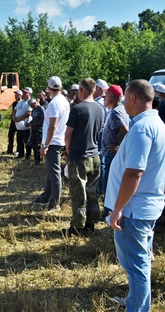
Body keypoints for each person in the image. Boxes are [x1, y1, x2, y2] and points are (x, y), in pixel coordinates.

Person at [105, 79, 165, 312]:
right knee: (139, 262)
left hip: (133, 209)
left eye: (125, 99)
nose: (123, 103)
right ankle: (136, 302)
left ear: (132, 98)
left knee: (136, 265)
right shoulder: (156, 124)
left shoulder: (142, 128)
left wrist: (117, 209)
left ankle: (139, 308)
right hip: (145, 205)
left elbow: (134, 174)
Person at [63, 78, 105, 233]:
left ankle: (77, 227)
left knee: (78, 193)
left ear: (81, 90)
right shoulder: (100, 109)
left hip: (79, 156)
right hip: (95, 156)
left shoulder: (77, 109)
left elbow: (68, 135)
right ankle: (91, 223)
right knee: (92, 192)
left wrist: (68, 151)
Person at [33, 76, 70, 211]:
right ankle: (46, 197)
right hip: (60, 140)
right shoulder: (65, 101)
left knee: (54, 173)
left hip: (53, 142)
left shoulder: (54, 103)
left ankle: (55, 203)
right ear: (60, 87)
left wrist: (46, 145)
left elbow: (52, 126)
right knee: (50, 171)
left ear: (48, 89)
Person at [99, 85, 129, 216]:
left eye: (106, 96)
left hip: (112, 154)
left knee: (109, 184)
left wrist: (119, 147)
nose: (104, 99)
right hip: (111, 153)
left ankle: (108, 212)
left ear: (111, 97)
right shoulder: (119, 109)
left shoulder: (116, 112)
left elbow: (125, 130)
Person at [13, 87, 33, 159]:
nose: (24, 94)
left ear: (29, 94)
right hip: (19, 126)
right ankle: (20, 154)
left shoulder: (30, 102)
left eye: (25, 93)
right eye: (23, 92)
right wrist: (14, 117)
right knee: (19, 141)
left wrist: (19, 118)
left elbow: (28, 113)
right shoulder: (20, 102)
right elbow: (15, 110)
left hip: (26, 126)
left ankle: (28, 155)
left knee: (27, 141)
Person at [27, 98, 45, 165]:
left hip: (39, 129)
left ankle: (38, 159)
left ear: (35, 103)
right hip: (34, 129)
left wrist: (34, 124)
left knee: (38, 144)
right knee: (33, 143)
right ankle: (35, 157)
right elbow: (34, 119)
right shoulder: (33, 110)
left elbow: (43, 119)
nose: (31, 107)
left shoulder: (41, 109)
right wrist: (30, 123)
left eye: (32, 105)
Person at [4, 90, 22, 154]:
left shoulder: (22, 103)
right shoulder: (14, 103)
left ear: (20, 95)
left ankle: (18, 150)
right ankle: (9, 150)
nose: (16, 96)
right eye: (15, 95)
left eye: (17, 95)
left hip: (20, 121)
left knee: (19, 136)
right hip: (13, 121)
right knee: (10, 135)